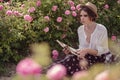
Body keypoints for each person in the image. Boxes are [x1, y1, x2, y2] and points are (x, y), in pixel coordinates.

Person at [53, 2, 114, 76]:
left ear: (92, 16)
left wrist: (86, 50)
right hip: (86, 57)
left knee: (72, 61)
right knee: (69, 59)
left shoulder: (101, 29)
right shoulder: (80, 29)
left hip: (99, 60)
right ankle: (53, 73)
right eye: (81, 15)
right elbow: (81, 48)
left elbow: (103, 51)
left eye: (85, 15)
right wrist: (71, 51)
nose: (82, 18)